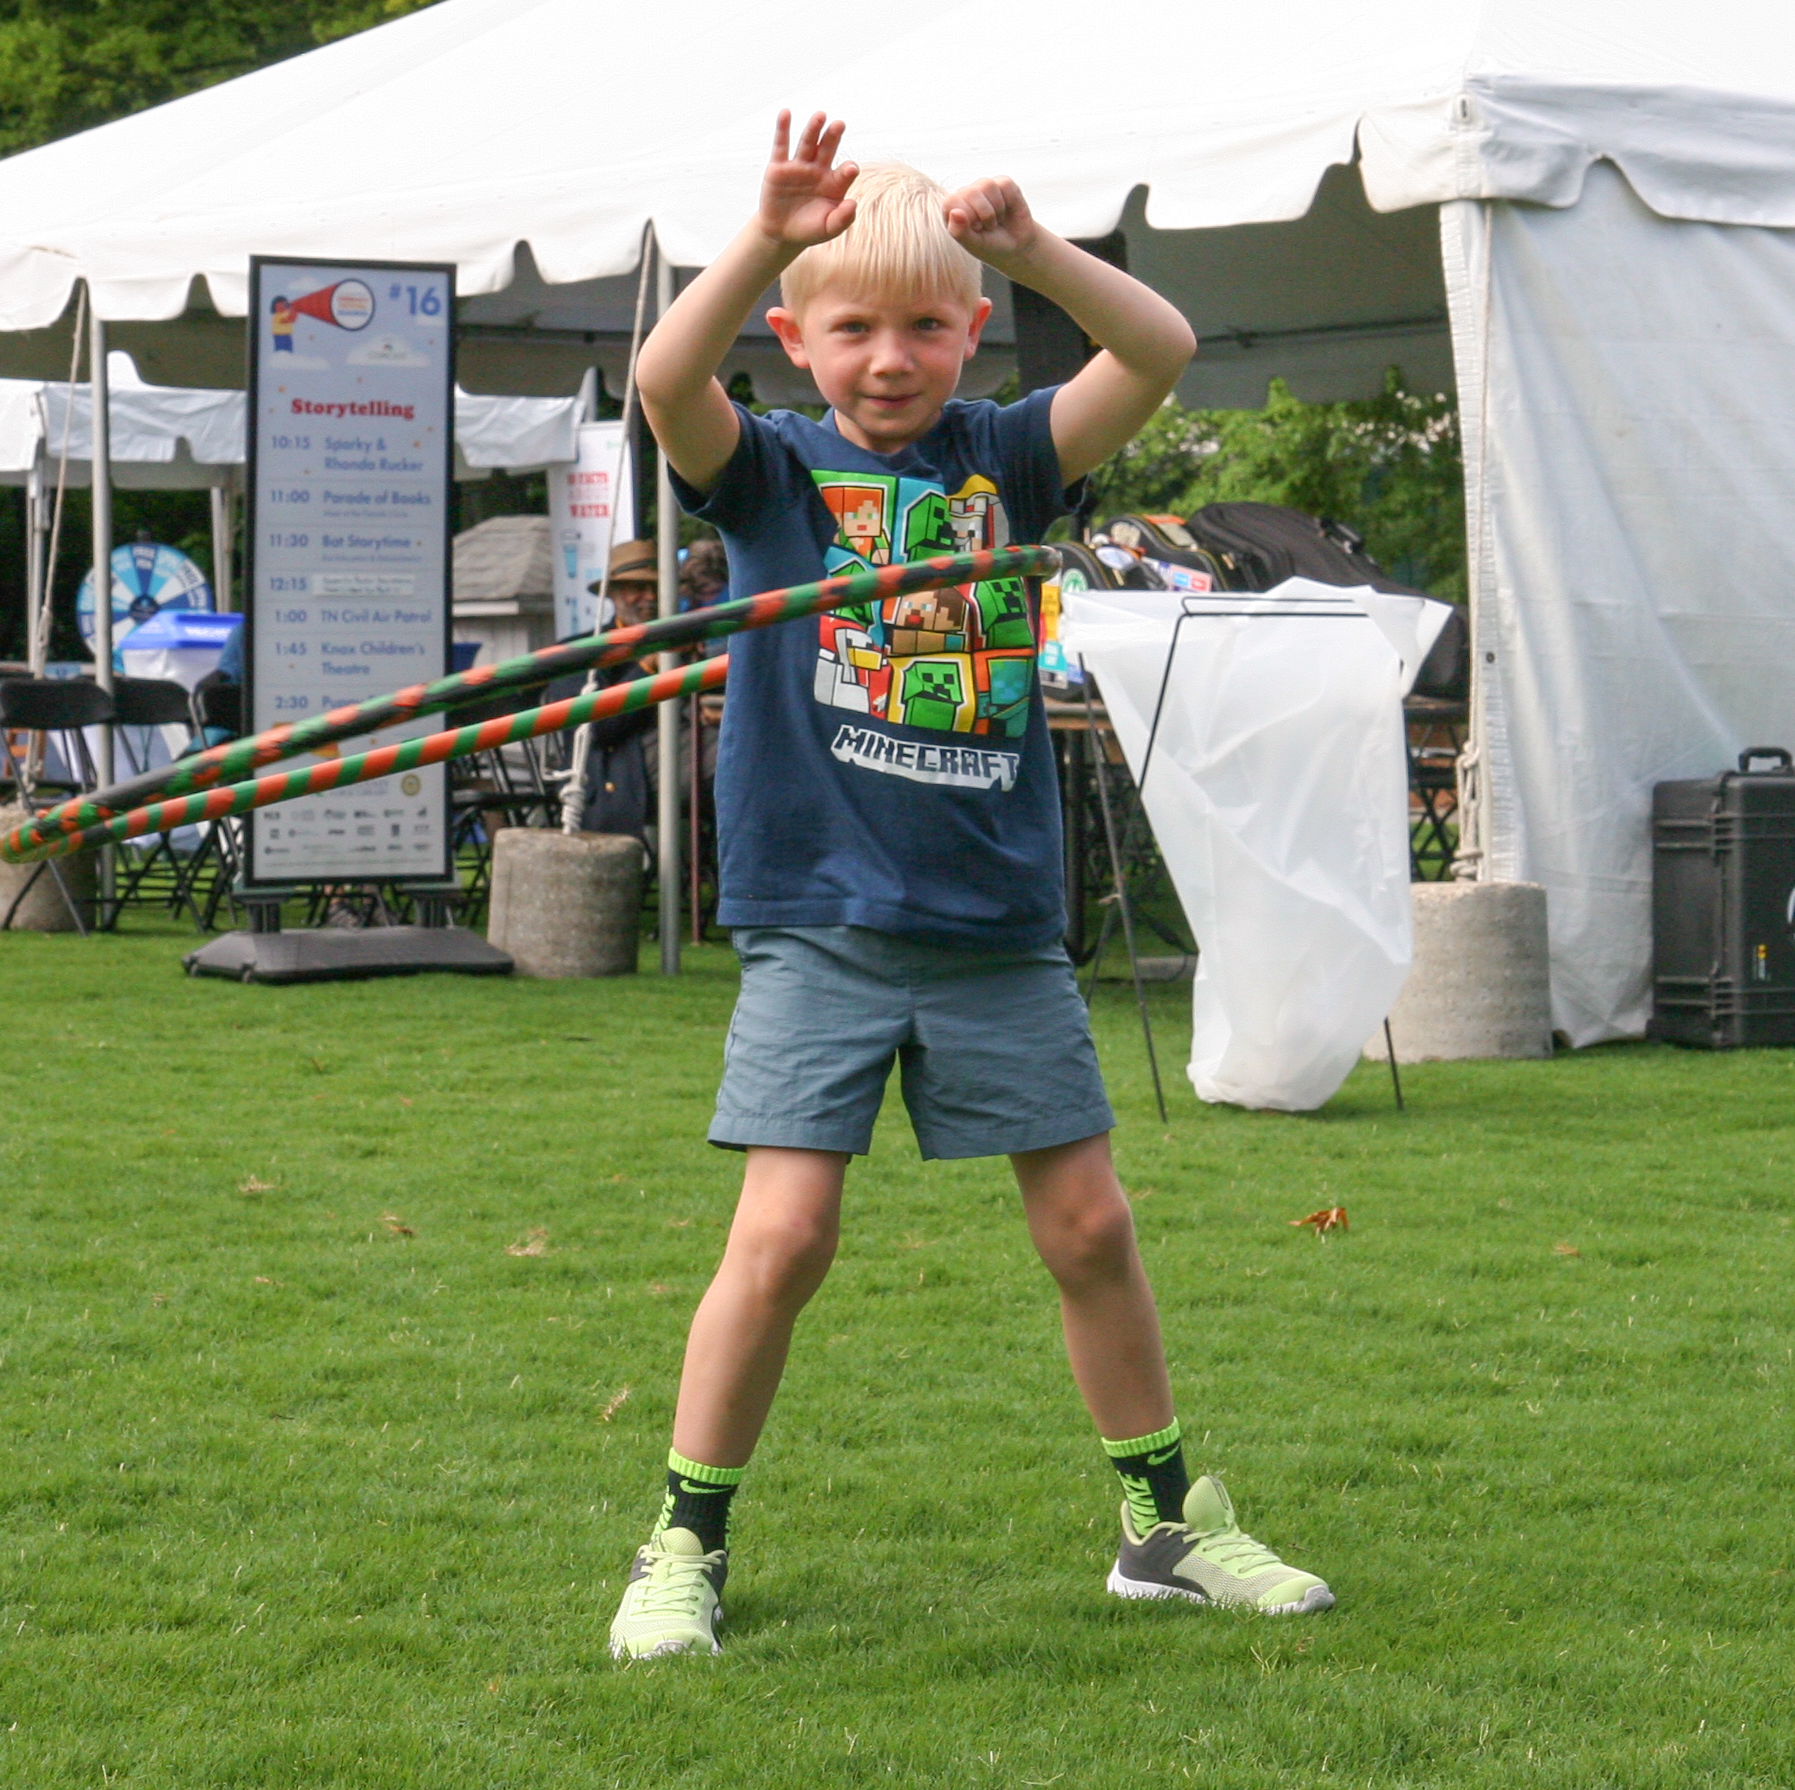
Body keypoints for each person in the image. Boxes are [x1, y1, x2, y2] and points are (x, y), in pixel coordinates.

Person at [606, 111, 1330, 1663]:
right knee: (784, 1237)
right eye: (851, 326)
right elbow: (664, 384)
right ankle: (684, 1536)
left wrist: (1030, 246)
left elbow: (1158, 349)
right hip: (823, 920)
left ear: (972, 331)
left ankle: (1160, 1529)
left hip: (995, 928)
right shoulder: (770, 482)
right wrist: (759, 242)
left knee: (1086, 1224)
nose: (889, 358)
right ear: (796, 339)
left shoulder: (1004, 456)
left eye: (927, 325)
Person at [573, 538, 662, 839]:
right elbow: (596, 727)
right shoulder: (585, 651)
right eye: (638, 587)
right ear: (612, 594)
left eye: (657, 587)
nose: (650, 597)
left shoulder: (689, 637)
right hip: (626, 770)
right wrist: (648, 667)